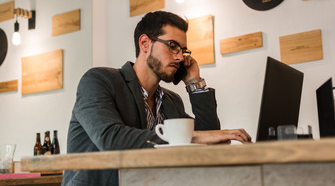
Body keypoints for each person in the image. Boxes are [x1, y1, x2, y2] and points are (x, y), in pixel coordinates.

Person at [61, 11, 251, 186]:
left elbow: (209, 142)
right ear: (145, 43)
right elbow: (112, 139)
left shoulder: (170, 101)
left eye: (183, 50)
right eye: (172, 46)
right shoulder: (99, 80)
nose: (179, 57)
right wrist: (195, 138)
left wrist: (194, 83)